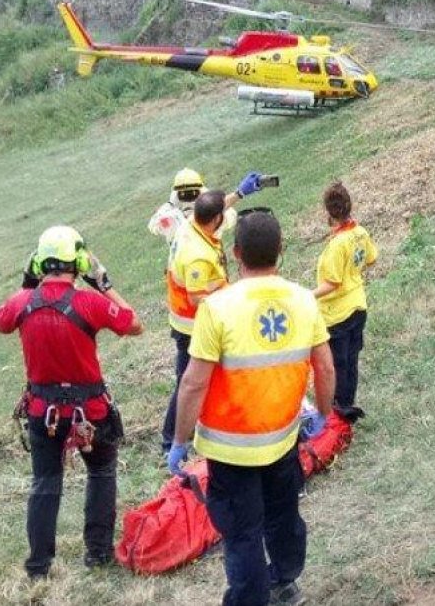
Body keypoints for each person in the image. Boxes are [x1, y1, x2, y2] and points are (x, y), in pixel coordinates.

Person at [169, 209, 336, 606]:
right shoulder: (303, 300)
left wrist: (179, 441)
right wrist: (323, 414)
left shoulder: (217, 308)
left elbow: (193, 382)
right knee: (284, 515)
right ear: (281, 249)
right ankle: (286, 581)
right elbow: (326, 367)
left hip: (230, 452)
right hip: (283, 440)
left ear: (236, 253)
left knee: (243, 533)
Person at [0, 225, 144, 578]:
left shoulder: (21, 303)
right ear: (79, 261)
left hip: (41, 411)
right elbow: (135, 324)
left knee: (45, 483)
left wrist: (28, 285)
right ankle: (98, 553)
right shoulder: (89, 302)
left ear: (38, 263)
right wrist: (104, 284)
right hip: (90, 411)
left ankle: (38, 566)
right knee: (101, 472)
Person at [161, 190, 232, 454]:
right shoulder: (198, 255)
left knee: (194, 379)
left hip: (187, 322)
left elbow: (214, 208)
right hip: (192, 327)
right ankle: (170, 439)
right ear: (216, 219)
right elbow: (195, 297)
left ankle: (193, 426)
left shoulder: (190, 224)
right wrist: (230, 299)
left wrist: (240, 193)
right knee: (187, 382)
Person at [312, 182, 378, 421]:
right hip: (358, 306)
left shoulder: (337, 245)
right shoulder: (359, 232)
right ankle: (348, 403)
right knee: (351, 360)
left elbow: (332, 283)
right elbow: (371, 259)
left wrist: (307, 295)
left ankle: (339, 414)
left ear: (329, 212)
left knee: (337, 365)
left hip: (337, 315)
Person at [148, 168, 266, 243]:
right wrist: (239, 193)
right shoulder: (184, 222)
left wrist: (169, 205)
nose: (189, 200)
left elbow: (156, 223)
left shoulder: (174, 220)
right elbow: (216, 210)